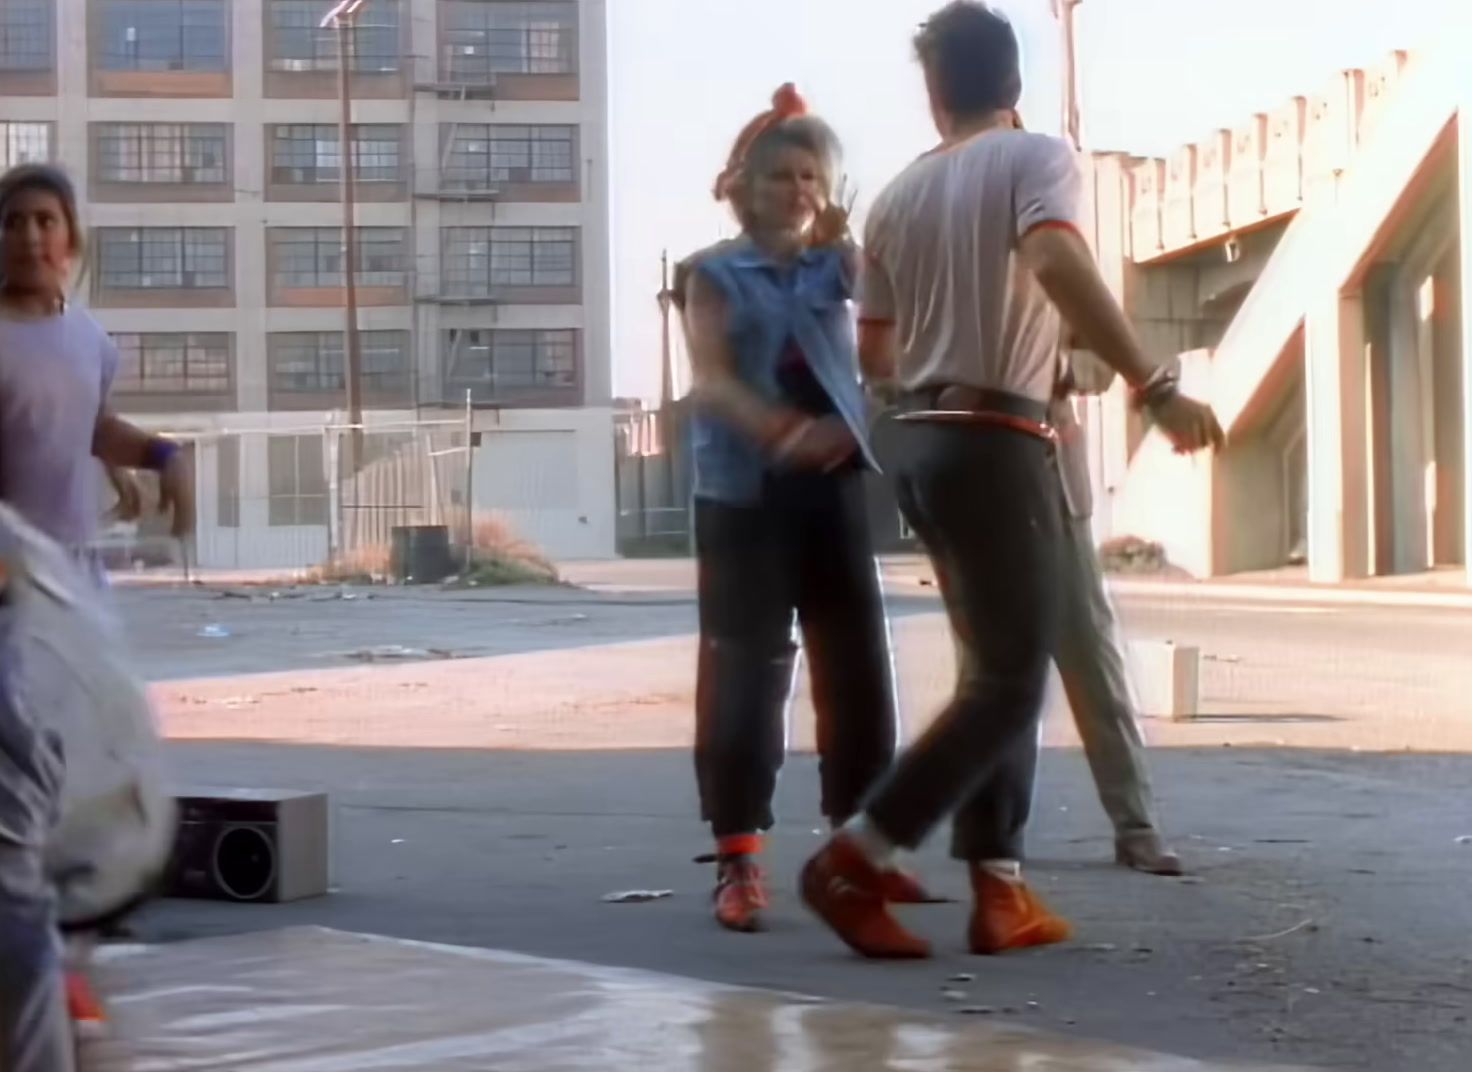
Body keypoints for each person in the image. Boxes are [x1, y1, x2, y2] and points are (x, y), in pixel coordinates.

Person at [800, 2, 1222, 959]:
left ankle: (999, 889)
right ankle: (855, 858)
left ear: (934, 88)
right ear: (1014, 83)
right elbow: (1054, 255)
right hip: (997, 438)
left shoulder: (899, 196)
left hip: (921, 438)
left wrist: (967, 341)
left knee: (995, 666)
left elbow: (875, 350)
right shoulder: (1037, 159)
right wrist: (1151, 383)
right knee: (1007, 683)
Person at [680, 85, 928, 934]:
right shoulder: (711, 274)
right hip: (745, 496)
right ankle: (739, 862)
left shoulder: (839, 266)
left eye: (810, 176)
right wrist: (784, 432)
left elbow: (885, 322)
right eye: (780, 175)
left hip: (831, 488)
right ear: (745, 187)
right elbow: (710, 381)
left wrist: (848, 241)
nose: (796, 190)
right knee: (746, 674)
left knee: (856, 667)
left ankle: (859, 853)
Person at [0, 162, 194, 1069]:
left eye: (47, 221)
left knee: (87, 779)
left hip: (74, 589)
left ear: (71, 240)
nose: (31, 237)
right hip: (9, 591)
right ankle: (37, 971)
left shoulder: (87, 339)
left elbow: (89, 422)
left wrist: (158, 453)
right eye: (14, 222)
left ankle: (56, 956)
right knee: (25, 783)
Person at [1051, 381, 1182, 876]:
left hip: (1051, 477)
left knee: (1091, 657)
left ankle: (1137, 826)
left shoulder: (1050, 301)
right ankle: (994, 839)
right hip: (973, 468)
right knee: (994, 676)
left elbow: (1092, 368)